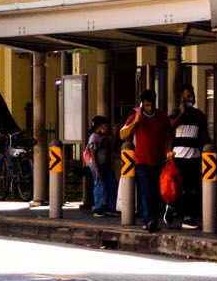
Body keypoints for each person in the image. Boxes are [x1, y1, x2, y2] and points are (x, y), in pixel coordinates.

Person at [122, 90, 168, 230]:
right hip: (141, 161)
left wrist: (168, 151)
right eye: (146, 105)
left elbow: (169, 133)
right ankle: (148, 220)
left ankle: (153, 218)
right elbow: (122, 134)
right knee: (147, 190)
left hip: (158, 160)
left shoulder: (161, 116)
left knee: (156, 191)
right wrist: (136, 121)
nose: (149, 108)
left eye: (151, 105)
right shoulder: (136, 116)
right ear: (142, 104)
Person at [168, 85, 209, 230]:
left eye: (192, 96)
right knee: (179, 188)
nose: (191, 99)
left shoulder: (199, 115)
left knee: (191, 188)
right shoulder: (176, 113)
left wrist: (207, 152)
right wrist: (182, 113)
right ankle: (172, 207)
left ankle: (188, 217)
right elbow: (171, 127)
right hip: (179, 156)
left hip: (194, 156)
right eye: (187, 96)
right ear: (181, 99)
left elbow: (204, 136)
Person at [82, 116, 117, 216]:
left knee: (112, 184)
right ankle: (98, 208)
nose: (106, 128)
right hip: (98, 165)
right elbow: (93, 154)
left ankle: (110, 206)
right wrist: (97, 170)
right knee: (99, 185)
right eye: (105, 126)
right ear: (99, 126)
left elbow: (113, 141)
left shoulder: (103, 137)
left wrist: (115, 130)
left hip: (106, 165)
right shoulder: (94, 137)